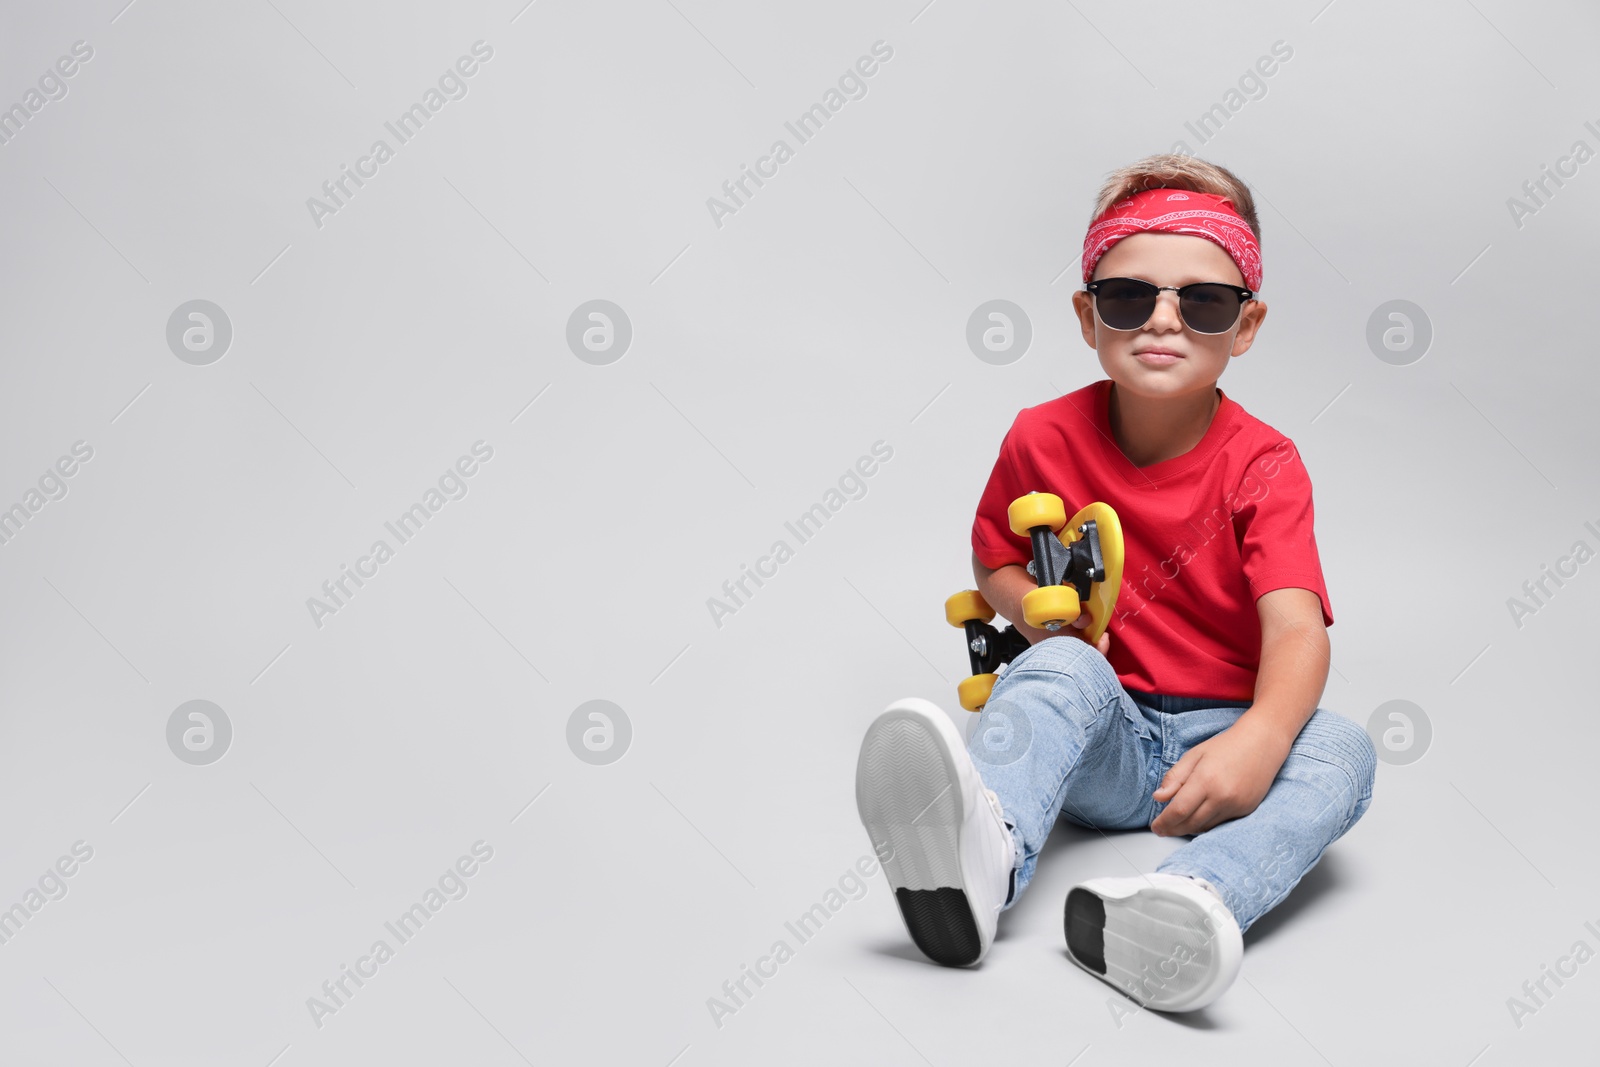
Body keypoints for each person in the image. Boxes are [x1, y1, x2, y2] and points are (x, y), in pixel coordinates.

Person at [854, 154, 1376, 1013]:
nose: (1163, 322)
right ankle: (982, 856)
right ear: (1088, 316)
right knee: (1056, 670)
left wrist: (1263, 738)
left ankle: (1184, 901)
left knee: (1344, 752)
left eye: (1203, 302)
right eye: (1130, 296)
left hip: (1225, 747)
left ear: (1245, 326)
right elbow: (995, 559)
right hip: (1110, 736)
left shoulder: (1267, 465)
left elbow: (1295, 630)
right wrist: (1037, 615)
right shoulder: (1040, 436)